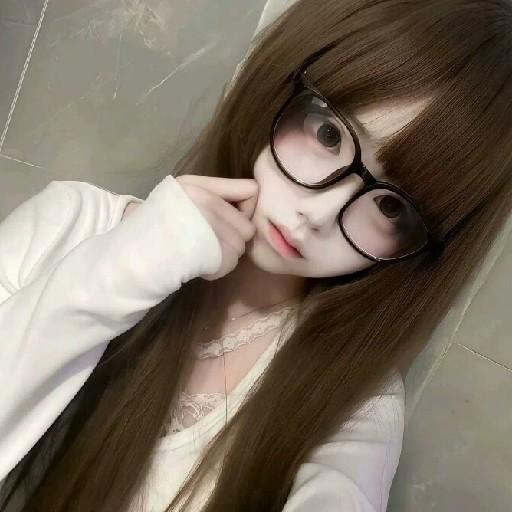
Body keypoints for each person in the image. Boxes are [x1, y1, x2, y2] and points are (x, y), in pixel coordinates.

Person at [0, 0, 511, 510]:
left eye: (390, 206)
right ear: (281, 83)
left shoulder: (354, 404)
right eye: (330, 135)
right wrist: (131, 264)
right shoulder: (72, 225)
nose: (319, 214)